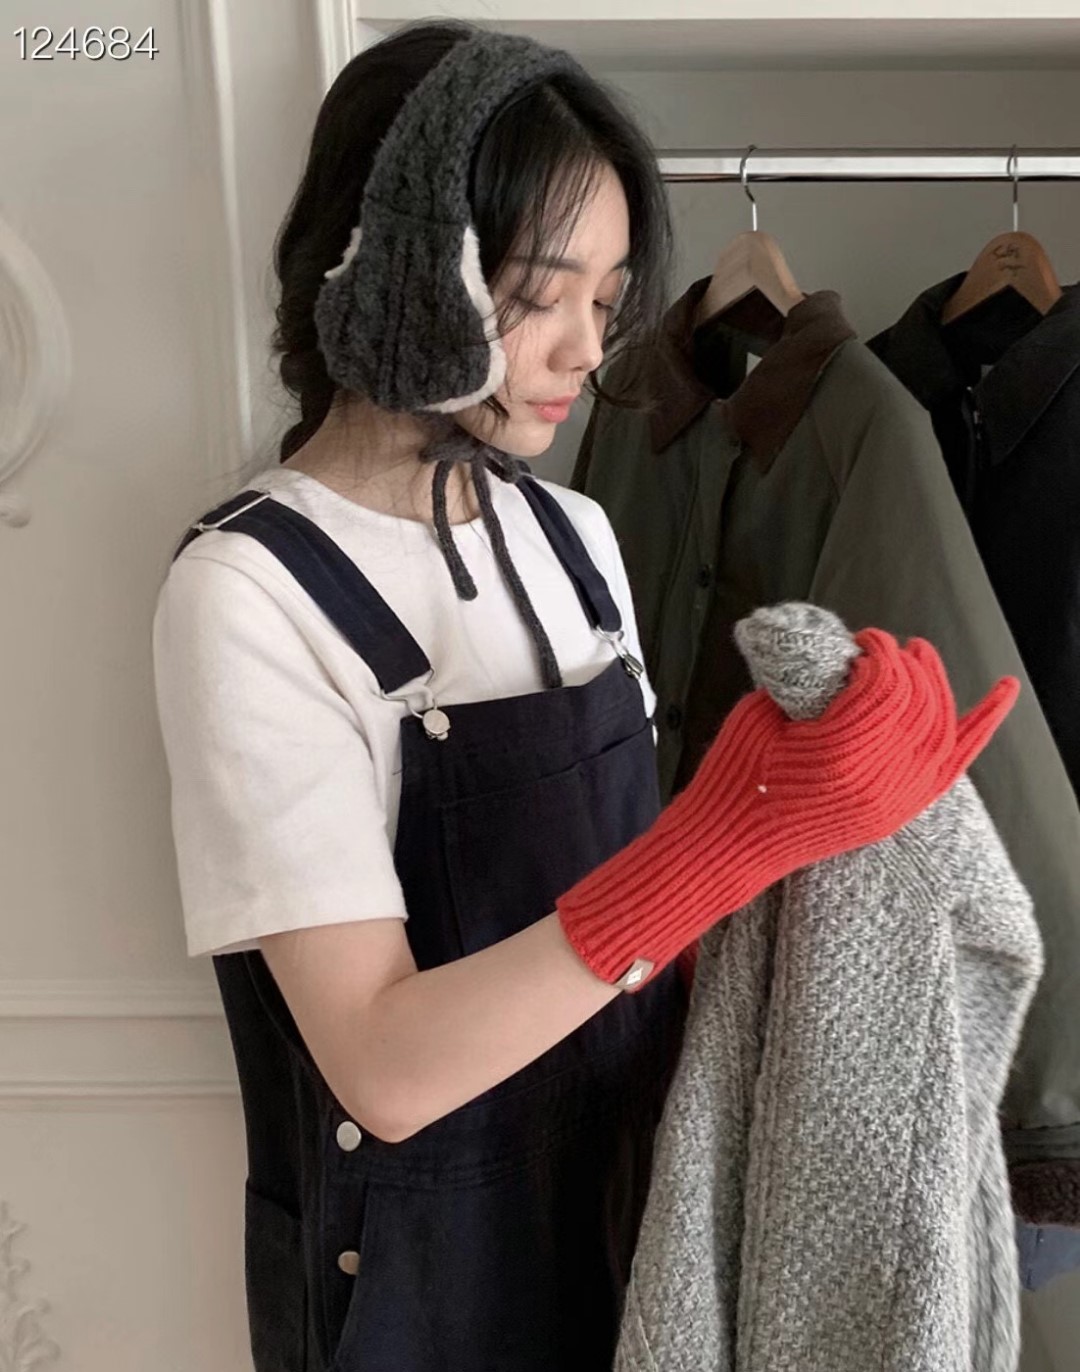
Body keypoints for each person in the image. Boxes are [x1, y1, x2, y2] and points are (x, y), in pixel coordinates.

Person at [151, 20, 1017, 1372]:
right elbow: (382, 1067)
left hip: (644, 1231)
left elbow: (641, 937)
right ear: (397, 273)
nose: (584, 352)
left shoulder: (574, 539)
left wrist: (848, 828)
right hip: (422, 1291)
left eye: (608, 302)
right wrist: (732, 834)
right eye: (539, 296)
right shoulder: (249, 591)